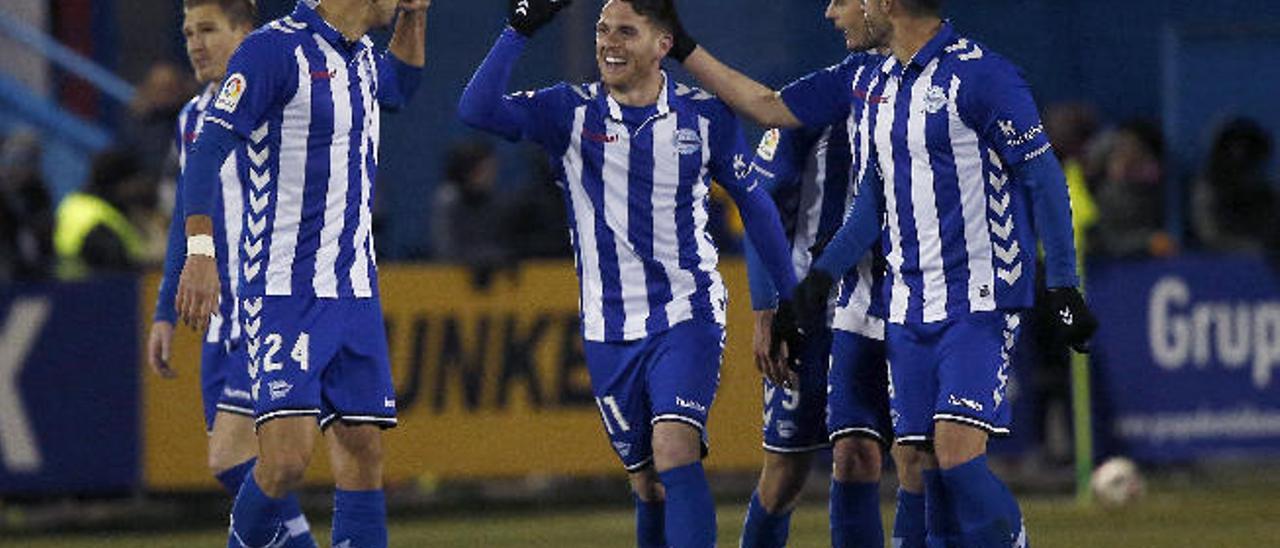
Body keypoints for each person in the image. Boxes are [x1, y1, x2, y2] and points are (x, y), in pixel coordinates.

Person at [694, 0, 1094, 546]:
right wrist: (815, 284)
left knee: (956, 456)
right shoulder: (876, 85)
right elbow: (871, 205)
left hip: (977, 299)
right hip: (905, 305)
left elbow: (1043, 174)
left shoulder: (982, 75)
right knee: (915, 463)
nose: (832, 12)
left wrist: (1063, 283)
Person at [458, 1, 804, 545]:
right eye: (601, 30)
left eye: (625, 31)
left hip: (687, 311)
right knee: (647, 484)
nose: (608, 42)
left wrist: (787, 303)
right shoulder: (567, 112)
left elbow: (756, 207)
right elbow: (476, 109)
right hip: (608, 325)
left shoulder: (704, 117)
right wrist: (519, 30)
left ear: (662, 45)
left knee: (674, 448)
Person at [174, 0, 429, 546]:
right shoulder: (273, 49)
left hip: (355, 288)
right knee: (285, 461)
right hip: (284, 288)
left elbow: (402, 87)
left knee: (363, 449)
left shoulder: (359, 55)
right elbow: (206, 151)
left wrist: (415, 15)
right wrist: (200, 251)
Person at [147, 2, 319, 546]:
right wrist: (163, 311)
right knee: (234, 464)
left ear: (245, 34)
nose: (195, 44)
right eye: (188, 33)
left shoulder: (274, 101)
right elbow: (185, 219)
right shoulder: (190, 119)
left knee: (237, 455)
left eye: (208, 30)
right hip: (222, 315)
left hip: (272, 302)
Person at [53, 148, 154, 279]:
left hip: (67, 288)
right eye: (135, 182)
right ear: (121, 184)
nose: (140, 188)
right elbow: (119, 271)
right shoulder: (99, 221)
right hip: (94, 292)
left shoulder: (73, 203)